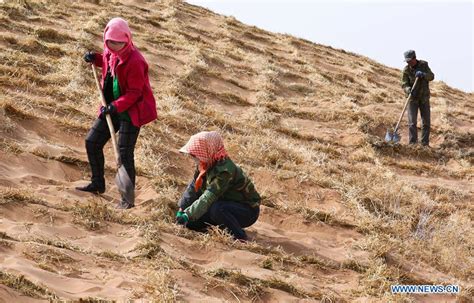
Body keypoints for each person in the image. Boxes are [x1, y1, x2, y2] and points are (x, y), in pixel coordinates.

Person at [76, 17, 157, 209]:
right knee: (92, 142)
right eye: (111, 42)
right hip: (111, 106)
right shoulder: (109, 51)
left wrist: (115, 107)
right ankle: (98, 184)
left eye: (119, 43)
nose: (115, 46)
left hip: (132, 111)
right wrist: (94, 58)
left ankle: (127, 201)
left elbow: (135, 93)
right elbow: (106, 62)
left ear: (127, 40)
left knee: (124, 154)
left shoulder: (136, 61)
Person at [176, 131, 261, 241]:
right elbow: (193, 188)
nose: (193, 157)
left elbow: (208, 197)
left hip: (246, 211)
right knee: (191, 224)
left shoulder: (225, 171)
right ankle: (223, 227)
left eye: (194, 154)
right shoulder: (205, 164)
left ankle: (240, 236)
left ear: (207, 150)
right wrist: (182, 208)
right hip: (224, 204)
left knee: (217, 209)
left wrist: (188, 215)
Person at [401, 50, 435, 146]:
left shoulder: (424, 65)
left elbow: (431, 76)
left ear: (414, 58)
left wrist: (424, 75)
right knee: (412, 123)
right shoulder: (406, 70)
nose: (408, 63)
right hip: (412, 99)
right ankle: (413, 144)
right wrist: (408, 89)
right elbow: (404, 84)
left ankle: (424, 144)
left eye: (410, 60)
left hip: (424, 98)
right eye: (407, 61)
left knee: (426, 123)